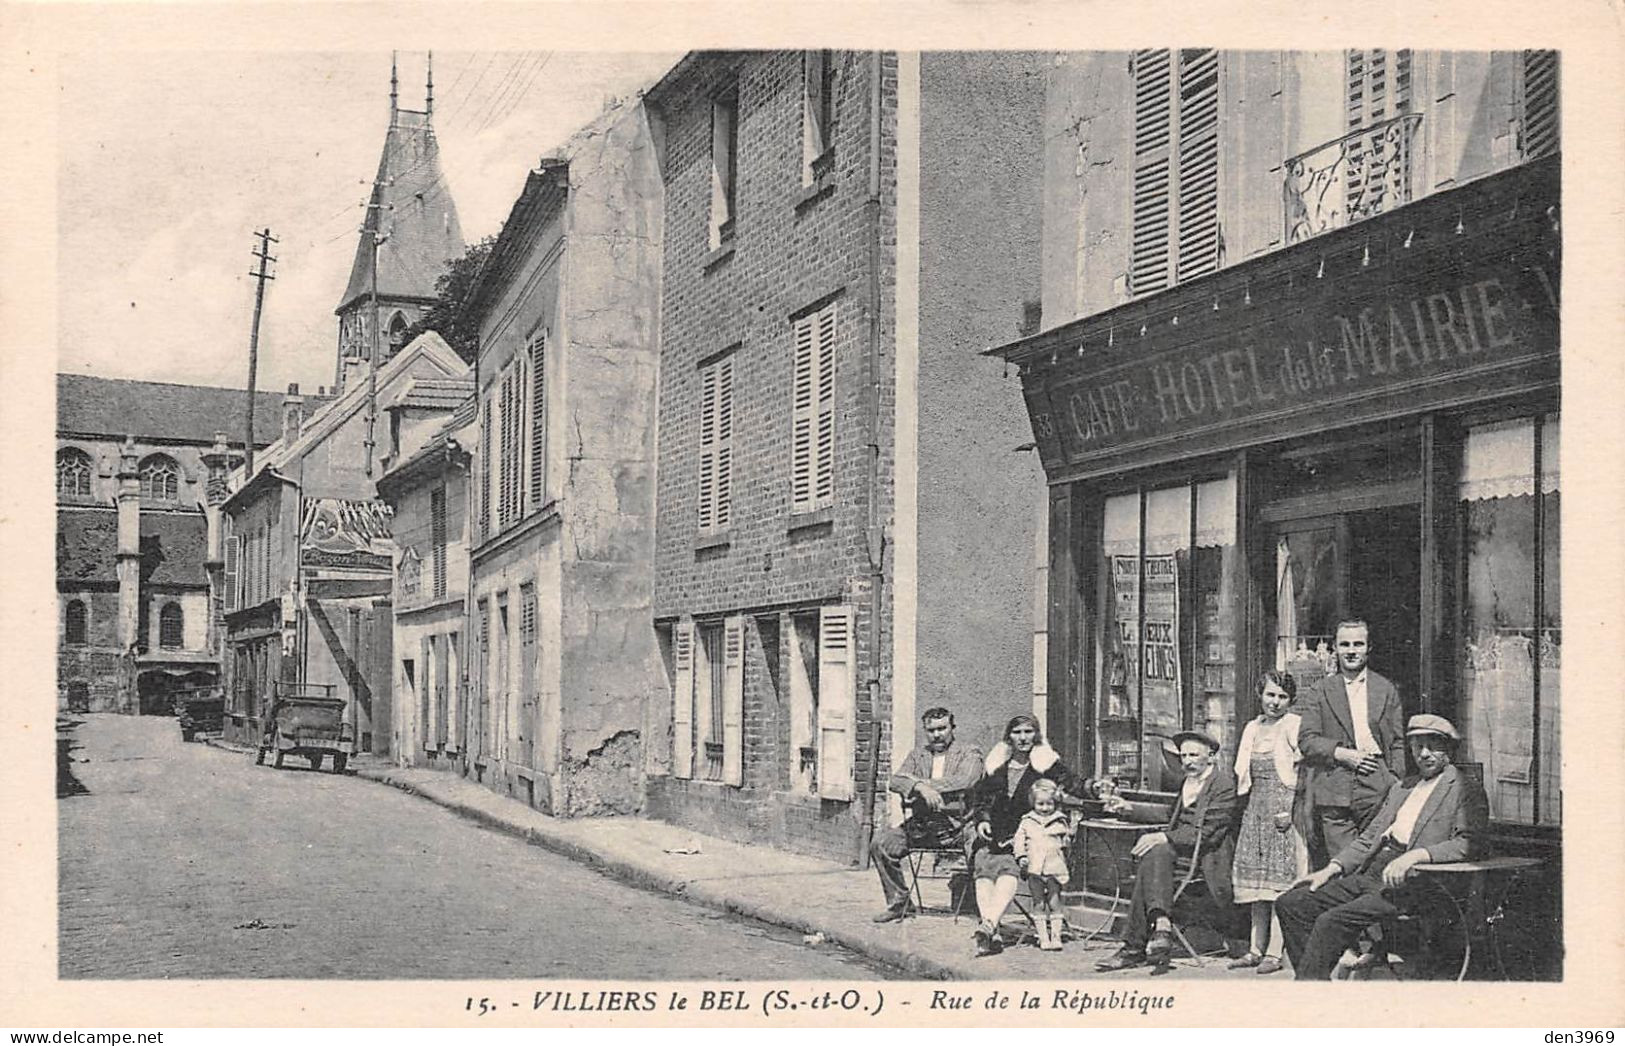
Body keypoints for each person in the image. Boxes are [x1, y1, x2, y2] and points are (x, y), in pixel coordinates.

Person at [1275, 714, 1489, 980]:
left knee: (1331, 921)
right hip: (1374, 872)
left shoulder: (1463, 787)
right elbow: (1369, 838)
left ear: (1448, 748)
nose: (1423, 754)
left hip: (1418, 883)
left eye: (1432, 745)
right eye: (1417, 746)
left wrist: (1415, 856)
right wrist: (1331, 869)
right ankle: (1314, 982)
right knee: (1293, 903)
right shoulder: (1403, 787)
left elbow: (1469, 843)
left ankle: (1309, 993)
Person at [1095, 730, 1238, 974]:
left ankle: (1133, 948)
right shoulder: (1189, 782)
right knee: (1155, 855)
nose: (1187, 761)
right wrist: (1128, 808)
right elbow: (1169, 815)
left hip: (1204, 859)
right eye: (1183, 756)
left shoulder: (1222, 785)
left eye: (1194, 755)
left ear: (1211, 756)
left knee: (1154, 856)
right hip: (1178, 854)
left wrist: (1162, 836)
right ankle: (1161, 924)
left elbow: (1206, 834)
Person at [968, 714, 1088, 956]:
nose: (1023, 738)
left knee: (1008, 869)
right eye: (1017, 733)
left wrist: (1094, 788)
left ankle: (989, 926)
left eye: (1028, 732)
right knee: (983, 869)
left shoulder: (1045, 765)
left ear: (1036, 735)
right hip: (994, 833)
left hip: (1027, 838)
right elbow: (979, 799)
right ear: (1009, 737)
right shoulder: (996, 766)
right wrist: (982, 820)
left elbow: (1073, 783)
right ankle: (993, 928)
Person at [1297, 619, 1407, 866]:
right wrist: (1342, 754)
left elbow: (1398, 742)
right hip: (1335, 786)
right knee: (1343, 864)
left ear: (1368, 648)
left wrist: (1394, 781)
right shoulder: (1321, 691)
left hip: (1378, 786)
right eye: (1344, 644)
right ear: (1335, 648)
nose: (1351, 650)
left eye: (1358, 644)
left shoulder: (1385, 689)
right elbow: (1306, 740)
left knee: (1377, 860)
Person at [870, 706, 985, 922]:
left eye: (942, 728)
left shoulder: (970, 752)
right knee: (881, 843)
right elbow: (895, 781)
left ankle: (985, 911)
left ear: (953, 728)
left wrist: (921, 784)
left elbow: (966, 779)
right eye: (931, 730)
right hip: (924, 827)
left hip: (960, 826)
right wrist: (922, 790)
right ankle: (899, 903)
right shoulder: (918, 755)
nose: (937, 734)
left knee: (980, 849)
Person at [1228, 670, 1309, 975]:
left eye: (1282, 696)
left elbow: (1302, 773)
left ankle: (1275, 951)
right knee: (1257, 885)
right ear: (1260, 695)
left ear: (1291, 700)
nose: (1275, 702)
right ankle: (1254, 948)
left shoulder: (1293, 725)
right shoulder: (1252, 727)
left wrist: (1289, 810)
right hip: (1255, 810)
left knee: (1279, 885)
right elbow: (1243, 774)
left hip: (1283, 811)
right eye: (1270, 695)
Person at [1013, 778, 1073, 951]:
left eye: (1049, 804)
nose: (1045, 808)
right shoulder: (1027, 821)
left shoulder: (1060, 820)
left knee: (1054, 902)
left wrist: (1068, 839)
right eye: (1040, 804)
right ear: (1033, 803)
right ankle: (1042, 937)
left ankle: (1056, 936)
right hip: (1034, 869)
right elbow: (1019, 841)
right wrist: (1021, 856)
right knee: (1038, 903)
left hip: (1054, 868)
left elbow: (1066, 843)